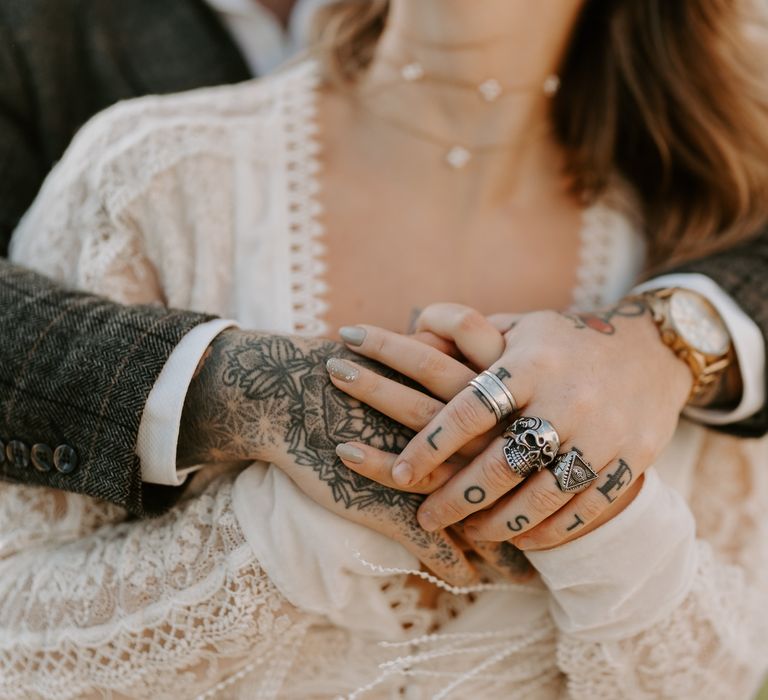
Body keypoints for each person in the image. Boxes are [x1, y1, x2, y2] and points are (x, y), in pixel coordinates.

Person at [2, 1, 768, 698]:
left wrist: (607, 527)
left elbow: (724, 672)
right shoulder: (153, 179)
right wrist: (290, 530)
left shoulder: (695, 226)